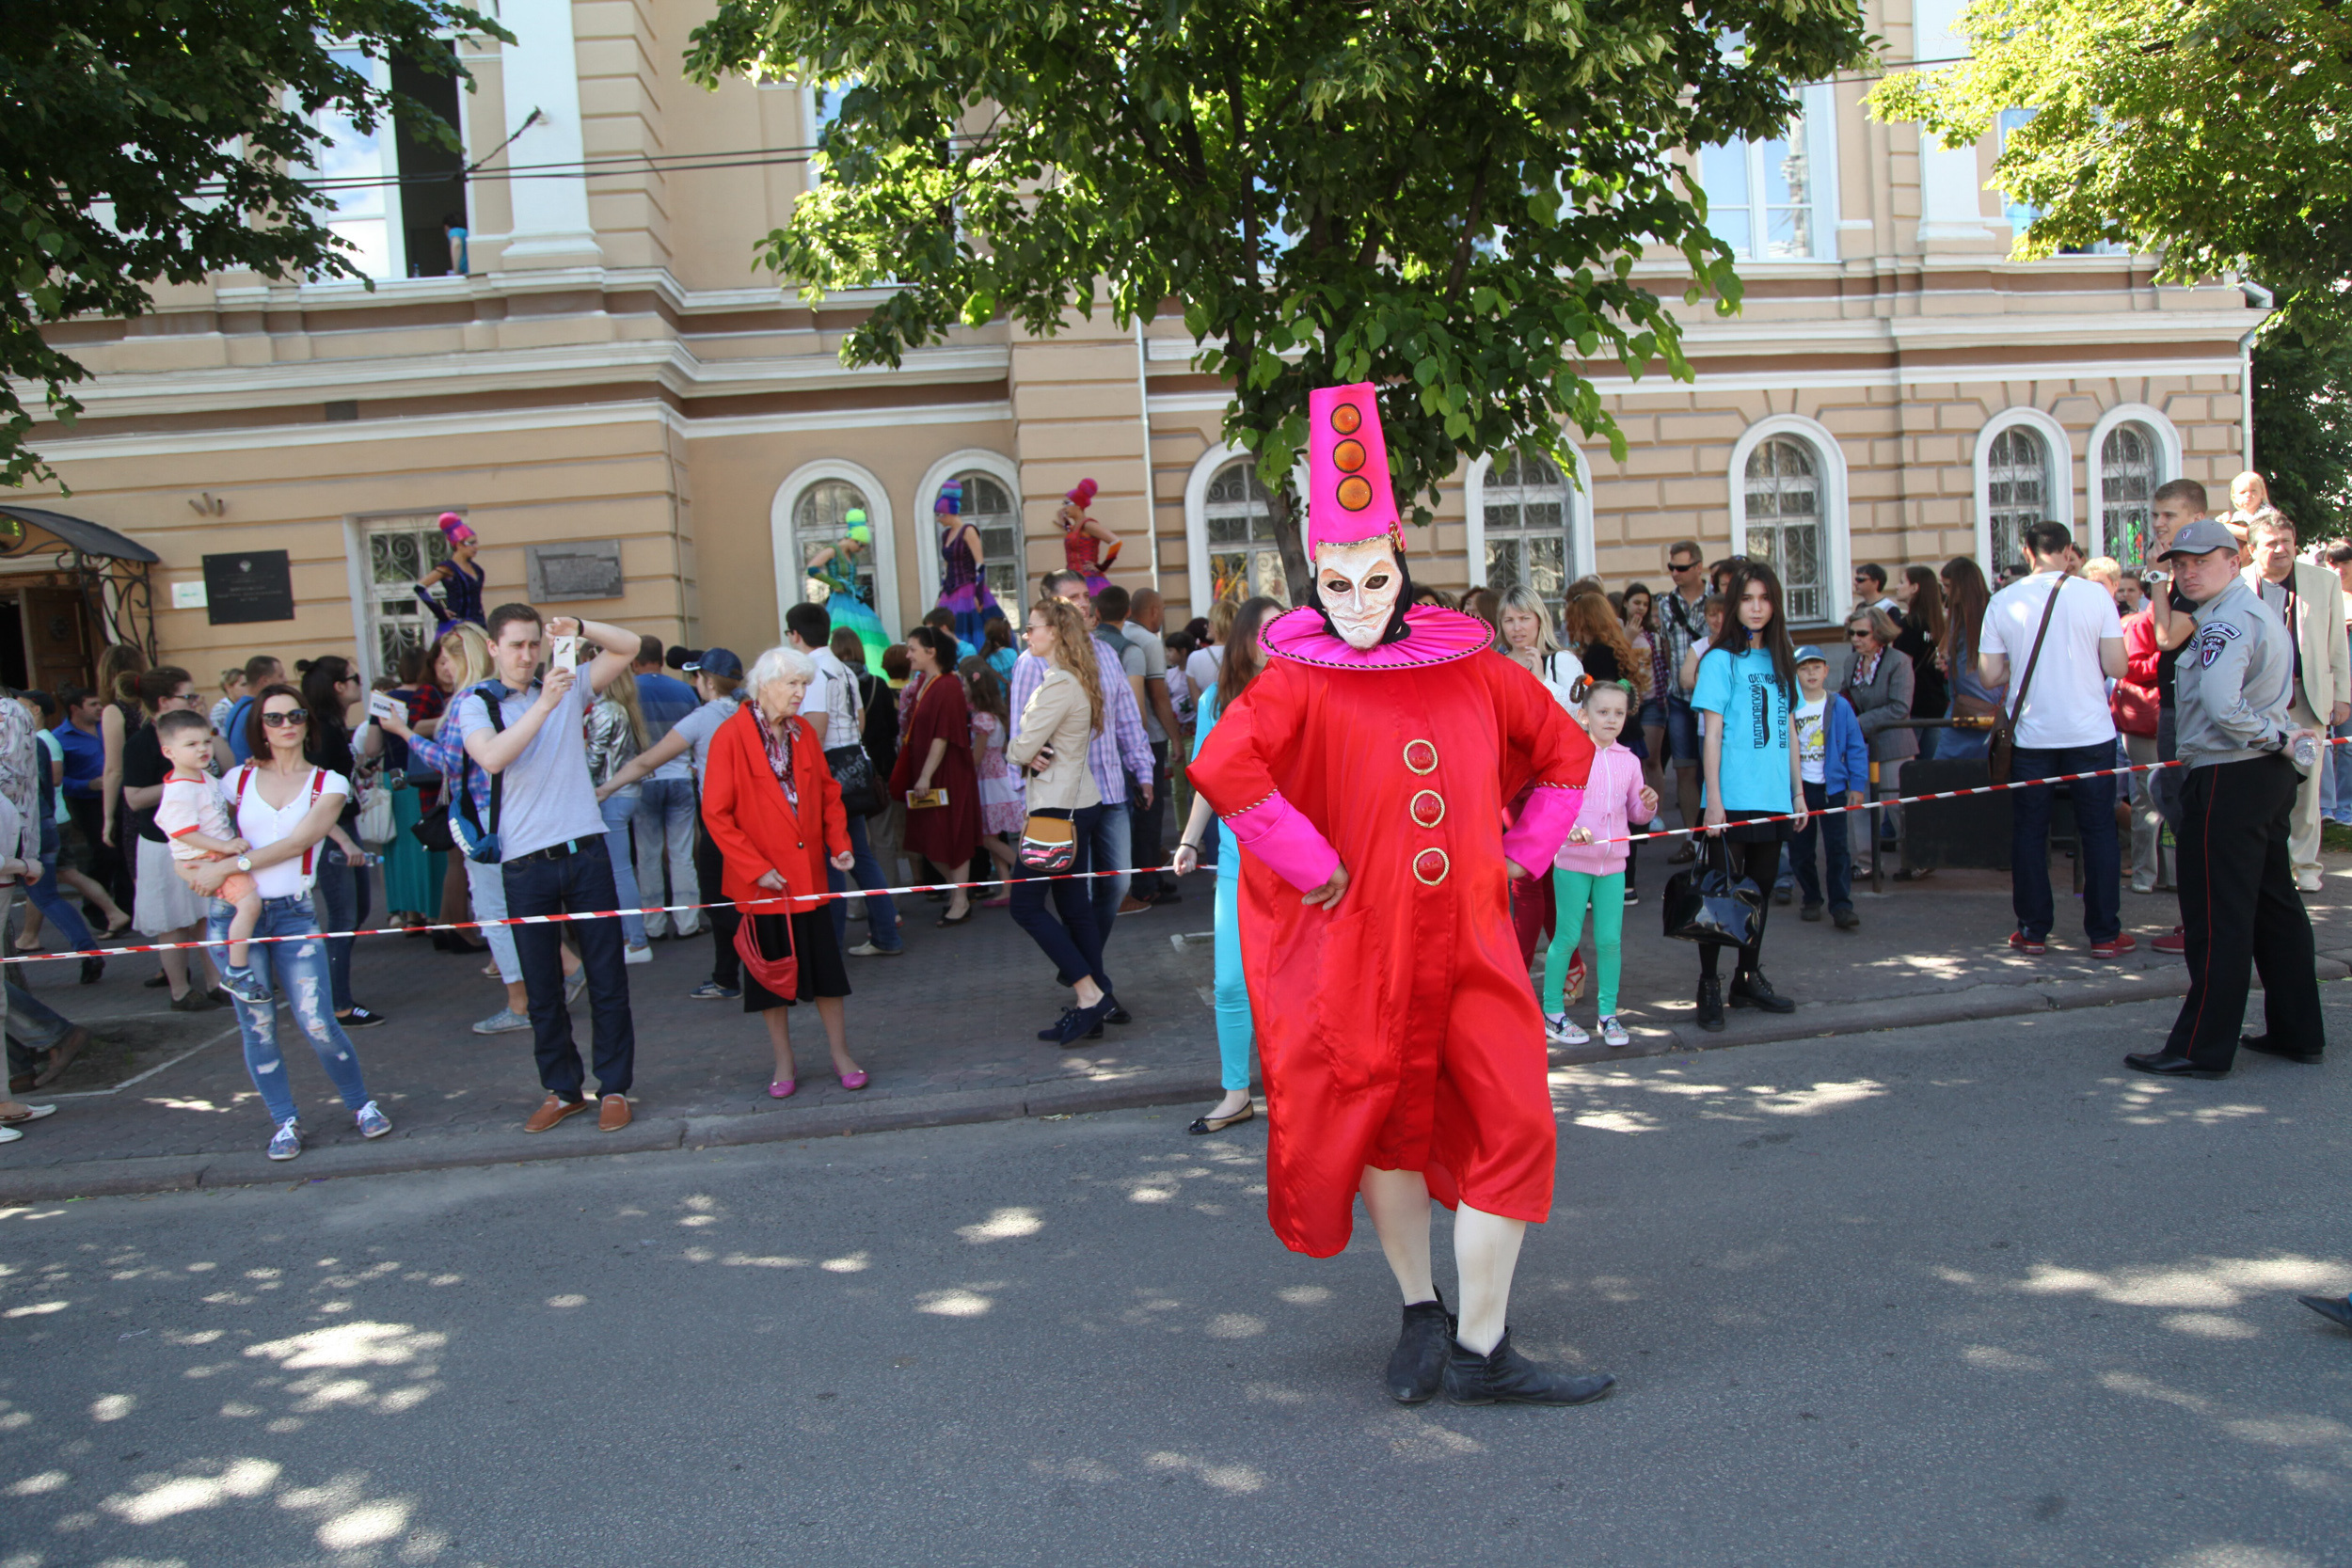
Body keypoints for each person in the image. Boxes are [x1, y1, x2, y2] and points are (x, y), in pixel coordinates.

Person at [1188, 381, 1608, 1408]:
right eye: (1337, 583)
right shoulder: (1294, 678)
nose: (1359, 602)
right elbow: (1227, 768)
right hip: (1362, 951)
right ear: (1314, 580)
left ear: (1399, 568)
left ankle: (1480, 1342)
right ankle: (1421, 1309)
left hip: (1471, 944)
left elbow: (1564, 752)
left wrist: (1521, 852)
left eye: (1374, 579)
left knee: (1513, 1124)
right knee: (1384, 1128)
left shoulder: (1474, 668)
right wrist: (1308, 858)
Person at [2123, 519, 2325, 1079]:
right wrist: (2280, 742)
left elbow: (2221, 705)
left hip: (2230, 776)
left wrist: (2277, 739)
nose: (2187, 571)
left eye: (2202, 561)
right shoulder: (2250, 611)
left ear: (2234, 563)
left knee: (2217, 915)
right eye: (2179, 564)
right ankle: (2297, 1029)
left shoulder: (2225, 623)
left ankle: (2201, 1047)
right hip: (2258, 777)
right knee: (2273, 906)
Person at [453, 605, 643, 1133]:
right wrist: (544, 704)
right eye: (515, 645)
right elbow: (492, 758)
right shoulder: (477, 703)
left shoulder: (566, 682)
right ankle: (562, 1090)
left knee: (607, 977)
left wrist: (580, 629)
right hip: (523, 862)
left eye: (533, 643)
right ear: (492, 648)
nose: (526, 654)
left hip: (584, 849)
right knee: (543, 989)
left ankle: (614, 1088)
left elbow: (627, 646)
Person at [187, 683, 392, 1160]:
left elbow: (298, 844)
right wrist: (198, 867)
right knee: (256, 1025)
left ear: (308, 722)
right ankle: (284, 1121)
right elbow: (197, 834)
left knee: (318, 1020)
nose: (286, 726)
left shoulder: (330, 784)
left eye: (295, 715)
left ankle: (361, 1105)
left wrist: (226, 866)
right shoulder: (234, 780)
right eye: (273, 718)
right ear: (259, 726)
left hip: (293, 912)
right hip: (234, 914)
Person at [387, 624, 583, 1035]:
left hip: (486, 824)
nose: (438, 666)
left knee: (496, 911)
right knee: (517, 910)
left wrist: (405, 732)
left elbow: (450, 761)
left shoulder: (470, 700)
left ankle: (521, 1002)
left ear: (461, 657)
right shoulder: (492, 697)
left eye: (443, 657)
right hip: (508, 819)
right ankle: (561, 973)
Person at [700, 645, 866, 1097]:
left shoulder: (802, 734)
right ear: (765, 685)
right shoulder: (730, 736)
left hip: (809, 876)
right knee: (772, 979)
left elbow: (830, 794)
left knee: (826, 974)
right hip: (763, 885)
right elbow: (716, 814)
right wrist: (756, 870)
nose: (801, 693)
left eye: (804, 684)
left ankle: (840, 1054)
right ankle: (784, 1061)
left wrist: (840, 845)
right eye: (793, 684)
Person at [1979, 522, 2129, 958]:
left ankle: (2032, 930)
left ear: (2027, 552)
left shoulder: (2004, 600)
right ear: (2069, 553)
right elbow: (2117, 666)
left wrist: (2019, 668)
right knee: (2099, 831)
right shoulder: (2095, 595)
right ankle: (2103, 934)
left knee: (2030, 831)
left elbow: (1990, 675)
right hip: (2090, 732)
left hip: (2032, 734)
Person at [1169, 594, 1279, 1134]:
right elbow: (1209, 779)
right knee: (1232, 983)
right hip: (1239, 862)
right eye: (1265, 631)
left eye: (1284, 629)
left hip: (1301, 869)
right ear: (1242, 640)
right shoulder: (1218, 698)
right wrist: (1190, 841)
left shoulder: (1310, 691)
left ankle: (1299, 1094)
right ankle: (1237, 1093)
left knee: (1296, 987)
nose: (1275, 639)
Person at [1009, 571, 1155, 961]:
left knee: (1119, 884)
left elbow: (1126, 718)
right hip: (1065, 799)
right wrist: (1024, 787)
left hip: (1109, 790)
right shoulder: (1031, 662)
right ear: (1054, 609)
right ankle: (1085, 972)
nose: (1085, 603)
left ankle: (1082, 964)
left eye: (1085, 596)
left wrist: (1142, 770)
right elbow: (1020, 732)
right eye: (1073, 597)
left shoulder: (1106, 652)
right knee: (1078, 892)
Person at [1690, 562, 1810, 1031]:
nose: (1756, 608)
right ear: (1733, 603)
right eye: (1747, 599)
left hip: (1774, 795)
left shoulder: (1783, 660)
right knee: (1719, 897)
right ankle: (1708, 984)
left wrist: (1798, 793)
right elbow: (1712, 735)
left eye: (1764, 598)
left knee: (1757, 895)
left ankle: (1746, 977)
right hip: (1732, 795)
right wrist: (1713, 801)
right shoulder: (1720, 662)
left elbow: (1792, 732)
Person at [599, 648, 750, 999]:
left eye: (697, 677)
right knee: (729, 897)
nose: (694, 683)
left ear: (709, 682)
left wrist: (605, 788)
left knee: (719, 901)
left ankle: (763, 961)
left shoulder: (703, 718)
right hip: (752, 819)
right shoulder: (750, 711)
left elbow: (647, 760)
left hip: (721, 821)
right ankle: (726, 975)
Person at [1006, 595, 1120, 1044]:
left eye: (1032, 626)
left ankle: (1089, 994)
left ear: (1053, 632)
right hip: (1077, 804)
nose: (1027, 634)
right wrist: (1028, 751)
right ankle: (1096, 998)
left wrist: (1024, 751)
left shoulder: (1057, 684)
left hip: (1057, 810)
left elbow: (1018, 747)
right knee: (1075, 908)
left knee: (1025, 906)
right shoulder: (1073, 678)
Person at [1542, 679, 1656, 1048]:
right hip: (1573, 862)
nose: (1611, 720)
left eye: (1619, 713)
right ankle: (1553, 1013)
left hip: (1614, 864)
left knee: (1610, 942)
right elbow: (1552, 806)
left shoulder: (1630, 761)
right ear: (1584, 715)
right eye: (1603, 712)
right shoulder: (1568, 756)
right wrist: (1569, 829)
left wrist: (1648, 803)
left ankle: (1608, 1016)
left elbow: (1637, 814)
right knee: (1567, 938)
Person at [2242, 509, 2349, 892]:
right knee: (2257, 782)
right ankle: (2263, 865)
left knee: (2305, 782)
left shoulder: (2322, 583)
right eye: (2271, 543)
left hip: (2307, 699)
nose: (2281, 549)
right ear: (2252, 549)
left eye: (2287, 541)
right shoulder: (2236, 586)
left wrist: (2343, 698)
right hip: (2254, 705)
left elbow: (2338, 644)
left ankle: (2305, 867)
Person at [789, 603, 904, 958]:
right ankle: (885, 933)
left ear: (795, 635)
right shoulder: (844, 669)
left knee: (831, 859)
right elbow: (859, 722)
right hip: (853, 764)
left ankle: (830, 945)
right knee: (859, 855)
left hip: (827, 770)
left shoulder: (814, 671)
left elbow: (815, 728)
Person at [119, 667, 229, 1010]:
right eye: (188, 696)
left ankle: (216, 982)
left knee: (203, 915)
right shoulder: (142, 743)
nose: (195, 701)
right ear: (164, 701)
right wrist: (179, 781)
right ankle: (179, 989)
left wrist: (207, 732)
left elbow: (227, 764)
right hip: (162, 844)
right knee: (172, 918)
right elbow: (134, 797)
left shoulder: (198, 736)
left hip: (202, 843)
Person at [151, 708, 268, 1002]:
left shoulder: (203, 778)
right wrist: (225, 847)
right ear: (169, 751)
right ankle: (237, 970)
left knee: (230, 913)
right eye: (191, 745)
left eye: (206, 741)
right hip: (209, 859)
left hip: (215, 856)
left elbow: (223, 808)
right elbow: (182, 831)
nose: (203, 749)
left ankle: (233, 963)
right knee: (250, 905)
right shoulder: (180, 789)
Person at [295, 655, 387, 1028]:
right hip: (333, 832)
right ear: (338, 686)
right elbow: (312, 793)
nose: (359, 683)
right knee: (343, 914)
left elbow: (333, 778)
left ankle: (332, 993)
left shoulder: (332, 725)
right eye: (354, 678)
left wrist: (359, 770)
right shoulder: (322, 729)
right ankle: (338, 1004)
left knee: (356, 910)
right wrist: (341, 838)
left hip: (342, 825)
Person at [10, 690, 118, 976]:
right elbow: (48, 790)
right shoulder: (37, 744)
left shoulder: (12, 749)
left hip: (17, 829)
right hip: (44, 821)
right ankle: (87, 950)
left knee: (40, 894)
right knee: (47, 896)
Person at [890, 625, 983, 926]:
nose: (908, 654)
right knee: (930, 838)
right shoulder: (926, 682)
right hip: (932, 771)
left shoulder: (946, 685)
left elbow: (942, 736)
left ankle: (959, 899)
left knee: (950, 834)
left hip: (946, 773)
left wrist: (925, 776)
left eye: (912, 649)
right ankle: (960, 893)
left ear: (932, 652)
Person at [628, 634, 703, 942]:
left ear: (634, 660)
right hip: (682, 777)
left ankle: (653, 924)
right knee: (682, 853)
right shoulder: (685, 690)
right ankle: (688, 922)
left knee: (647, 855)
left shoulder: (628, 693)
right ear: (661, 659)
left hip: (643, 780)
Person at [1788, 647, 1868, 927]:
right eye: (1804, 667)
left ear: (1826, 670)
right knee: (1801, 849)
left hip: (1832, 788)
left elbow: (1856, 747)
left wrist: (1857, 784)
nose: (1810, 672)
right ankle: (1811, 897)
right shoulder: (1789, 706)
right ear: (1795, 673)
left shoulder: (1839, 705)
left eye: (1816, 667)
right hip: (1801, 790)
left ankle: (1841, 904)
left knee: (1838, 848)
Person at [585, 667, 653, 962]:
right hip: (624, 792)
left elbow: (593, 759)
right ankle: (633, 938)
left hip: (610, 794)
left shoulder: (606, 710)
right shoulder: (624, 707)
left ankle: (636, 940)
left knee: (619, 871)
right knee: (622, 869)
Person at [1123, 587, 1184, 906]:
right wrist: (1176, 738)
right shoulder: (1147, 641)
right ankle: (1147, 884)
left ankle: (1149, 878)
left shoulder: (1120, 634)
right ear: (1153, 611)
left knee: (1137, 814)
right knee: (1150, 813)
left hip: (1124, 740)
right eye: (1161, 610)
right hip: (1151, 739)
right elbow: (1159, 698)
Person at [1653, 541, 1711, 862]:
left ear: (1699, 567)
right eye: (1671, 567)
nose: (1674, 573)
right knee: (1685, 769)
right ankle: (1693, 837)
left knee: (1713, 768)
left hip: (1713, 699)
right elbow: (1664, 648)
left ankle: (1719, 832)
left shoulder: (1717, 600)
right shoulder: (1666, 604)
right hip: (1678, 698)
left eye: (1681, 568)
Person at [1843, 607, 1916, 858]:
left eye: (1862, 633)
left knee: (1897, 805)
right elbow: (1847, 698)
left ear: (1880, 633)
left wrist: (1858, 723)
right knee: (1860, 804)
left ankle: (1915, 858)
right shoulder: (1851, 662)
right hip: (1860, 746)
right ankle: (1865, 861)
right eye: (1851, 632)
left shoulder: (1899, 661)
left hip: (1893, 744)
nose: (1855, 638)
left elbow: (1900, 707)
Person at [2115, 580, 2167, 893]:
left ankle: (2173, 872)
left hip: (2179, 719)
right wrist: (2168, 659)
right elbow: (2128, 667)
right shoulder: (2142, 621)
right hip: (2149, 723)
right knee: (2147, 799)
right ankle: (2146, 873)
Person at [961, 657, 1024, 898]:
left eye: (966, 685)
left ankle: (1023, 871)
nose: (963, 690)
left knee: (987, 836)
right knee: (994, 834)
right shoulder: (995, 717)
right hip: (999, 777)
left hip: (989, 782)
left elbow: (976, 758)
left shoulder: (980, 720)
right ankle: (1007, 886)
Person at [802, 510, 890, 674]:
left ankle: (869, 669)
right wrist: (833, 583)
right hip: (839, 601)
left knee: (863, 632)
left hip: (853, 600)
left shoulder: (852, 556)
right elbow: (812, 569)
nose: (861, 549)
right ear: (852, 538)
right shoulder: (832, 551)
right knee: (840, 630)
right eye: (860, 544)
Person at [1936, 558, 2002, 763]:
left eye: (1948, 586)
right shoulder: (1959, 614)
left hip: (1984, 707)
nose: (1945, 592)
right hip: (1964, 706)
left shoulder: (1993, 611)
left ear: (1962, 585)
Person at [1893, 566, 1949, 761]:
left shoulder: (1909, 625)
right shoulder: (1939, 623)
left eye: (1902, 581)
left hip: (1914, 706)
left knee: (1908, 767)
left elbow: (1902, 668)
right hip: (1937, 705)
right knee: (1929, 768)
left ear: (1915, 587)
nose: (1897, 587)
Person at [934, 482, 1001, 646]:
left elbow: (980, 564)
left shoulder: (968, 530)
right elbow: (946, 568)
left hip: (968, 589)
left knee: (970, 630)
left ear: (947, 513)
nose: (938, 519)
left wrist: (978, 596)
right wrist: (940, 594)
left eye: (939, 515)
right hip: (950, 592)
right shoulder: (946, 535)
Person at [412, 512, 486, 640]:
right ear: (458, 544)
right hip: (456, 627)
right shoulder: (448, 568)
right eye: (471, 543)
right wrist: (440, 612)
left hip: (478, 625)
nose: (476, 547)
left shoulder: (477, 570)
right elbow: (419, 587)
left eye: (476, 543)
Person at [1057, 478, 1121, 594]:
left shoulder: (1088, 525)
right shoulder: (1075, 527)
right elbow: (1075, 537)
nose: (1064, 507)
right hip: (1073, 580)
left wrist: (1102, 567)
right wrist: (1065, 524)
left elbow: (1116, 541)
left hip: (1090, 582)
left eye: (1067, 503)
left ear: (1078, 505)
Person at [220, 654, 284, 766]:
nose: (285, 680)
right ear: (264, 680)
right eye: (280, 675)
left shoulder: (236, 708)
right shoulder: (259, 710)